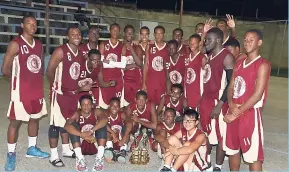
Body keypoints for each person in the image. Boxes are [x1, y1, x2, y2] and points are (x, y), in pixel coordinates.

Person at [2, 15, 49, 171]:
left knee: (34, 119)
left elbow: (38, 68)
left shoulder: (39, 44)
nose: (32, 26)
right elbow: (5, 69)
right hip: (20, 92)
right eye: (29, 23)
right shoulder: (15, 44)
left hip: (37, 90)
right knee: (15, 122)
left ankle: (31, 148)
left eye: (35, 24)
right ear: (22, 25)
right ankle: (10, 154)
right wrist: (17, 81)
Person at [223, 29, 271, 171]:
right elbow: (231, 85)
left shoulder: (263, 65)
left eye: (251, 40)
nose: (247, 42)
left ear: (260, 42)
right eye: (245, 39)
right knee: (233, 149)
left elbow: (257, 95)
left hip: (249, 114)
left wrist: (236, 112)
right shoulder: (239, 63)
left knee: (252, 155)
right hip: (234, 111)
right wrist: (231, 104)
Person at [46, 25, 92, 167]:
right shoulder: (61, 51)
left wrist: (80, 87)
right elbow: (49, 71)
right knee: (55, 124)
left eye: (78, 34)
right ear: (67, 36)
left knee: (68, 123)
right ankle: (53, 155)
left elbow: (75, 74)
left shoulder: (80, 52)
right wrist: (56, 87)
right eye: (73, 34)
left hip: (74, 94)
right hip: (60, 94)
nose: (77, 36)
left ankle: (66, 149)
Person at [199, 27, 234, 171]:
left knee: (220, 136)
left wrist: (219, 105)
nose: (206, 42)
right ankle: (205, 162)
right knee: (206, 133)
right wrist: (204, 35)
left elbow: (231, 84)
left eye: (209, 39)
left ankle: (218, 167)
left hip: (217, 101)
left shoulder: (227, 56)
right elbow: (201, 50)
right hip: (206, 100)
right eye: (206, 39)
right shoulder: (210, 54)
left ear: (219, 40)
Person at [64, 95, 108, 171]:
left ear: (92, 105)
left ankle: (99, 158)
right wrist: (82, 135)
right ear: (80, 106)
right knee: (72, 125)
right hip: (80, 146)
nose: (86, 106)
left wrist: (91, 131)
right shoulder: (77, 113)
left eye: (88, 104)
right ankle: (80, 159)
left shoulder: (96, 111)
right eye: (84, 104)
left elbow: (105, 119)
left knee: (102, 125)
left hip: (95, 144)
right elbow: (66, 126)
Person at [99, 23, 126, 109]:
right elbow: (101, 63)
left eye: (117, 30)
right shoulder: (103, 44)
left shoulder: (122, 46)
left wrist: (108, 61)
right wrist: (116, 64)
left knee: (117, 105)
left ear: (119, 32)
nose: (115, 32)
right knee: (105, 104)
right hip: (105, 77)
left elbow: (123, 65)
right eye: (113, 30)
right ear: (110, 31)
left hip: (118, 79)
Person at [142, 25, 170, 105]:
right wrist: (144, 83)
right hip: (150, 81)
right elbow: (146, 65)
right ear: (154, 34)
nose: (158, 35)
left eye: (160, 33)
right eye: (157, 33)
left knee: (161, 105)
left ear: (164, 34)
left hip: (162, 82)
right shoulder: (149, 46)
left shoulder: (168, 47)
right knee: (150, 104)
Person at [104, 97, 132, 163]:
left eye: (117, 106)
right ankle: (109, 149)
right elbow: (102, 124)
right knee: (106, 128)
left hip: (120, 139)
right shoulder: (105, 113)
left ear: (119, 107)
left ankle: (122, 151)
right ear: (109, 106)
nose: (115, 108)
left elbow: (129, 122)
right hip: (109, 138)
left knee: (127, 131)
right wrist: (113, 133)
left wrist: (124, 138)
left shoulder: (121, 114)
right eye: (113, 106)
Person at [122, 25, 143, 106]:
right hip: (124, 81)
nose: (130, 35)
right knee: (123, 106)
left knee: (134, 106)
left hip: (136, 81)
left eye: (131, 33)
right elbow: (120, 68)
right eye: (128, 33)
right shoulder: (120, 46)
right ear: (124, 33)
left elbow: (140, 64)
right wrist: (134, 65)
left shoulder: (137, 47)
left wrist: (131, 48)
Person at [184, 34, 206, 109]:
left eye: (194, 43)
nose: (192, 45)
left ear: (199, 43)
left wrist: (203, 97)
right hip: (187, 92)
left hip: (198, 93)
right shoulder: (186, 57)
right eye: (190, 43)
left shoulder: (202, 58)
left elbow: (205, 79)